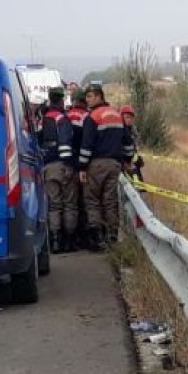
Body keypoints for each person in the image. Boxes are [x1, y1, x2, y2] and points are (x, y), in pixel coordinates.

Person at [78, 86, 135, 250]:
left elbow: (86, 145)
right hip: (115, 165)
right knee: (110, 201)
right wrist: (128, 160)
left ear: (99, 97)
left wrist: (82, 167)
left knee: (93, 200)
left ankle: (97, 240)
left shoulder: (93, 117)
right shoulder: (117, 115)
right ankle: (112, 236)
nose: (87, 100)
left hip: (96, 165)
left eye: (90, 96)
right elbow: (128, 142)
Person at [39, 87, 77, 253]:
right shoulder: (62, 118)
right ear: (61, 100)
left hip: (47, 167)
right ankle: (69, 241)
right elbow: (65, 143)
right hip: (62, 166)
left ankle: (55, 241)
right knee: (69, 204)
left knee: (54, 205)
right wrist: (68, 165)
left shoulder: (42, 119)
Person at [66, 94, 91, 250]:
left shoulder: (66, 116)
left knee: (70, 203)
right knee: (85, 202)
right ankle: (85, 237)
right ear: (84, 102)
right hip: (85, 165)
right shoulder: (87, 117)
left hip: (69, 164)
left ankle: (71, 238)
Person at [120, 105, 146, 181]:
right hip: (121, 165)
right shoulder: (119, 131)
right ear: (121, 117)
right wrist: (124, 164)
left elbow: (134, 148)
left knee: (139, 184)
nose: (130, 120)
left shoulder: (133, 131)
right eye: (127, 117)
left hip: (132, 164)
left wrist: (138, 158)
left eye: (131, 117)